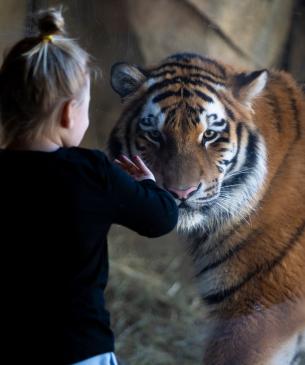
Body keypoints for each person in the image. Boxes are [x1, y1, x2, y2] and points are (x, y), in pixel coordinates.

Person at [0, 7, 178, 365]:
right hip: (79, 348)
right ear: (69, 114)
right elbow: (161, 219)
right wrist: (148, 183)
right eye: (86, 107)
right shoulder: (90, 173)